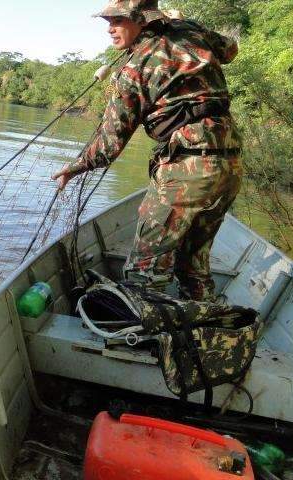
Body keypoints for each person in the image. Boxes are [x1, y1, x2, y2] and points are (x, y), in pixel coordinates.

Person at [52, 0, 242, 301]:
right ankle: (204, 336)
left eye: (118, 20)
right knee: (194, 267)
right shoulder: (190, 32)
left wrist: (74, 167)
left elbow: (108, 146)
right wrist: (187, 22)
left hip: (187, 171)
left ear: (141, 21)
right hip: (229, 165)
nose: (110, 28)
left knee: (143, 273)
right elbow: (230, 49)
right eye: (107, 22)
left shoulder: (134, 69)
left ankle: (143, 343)